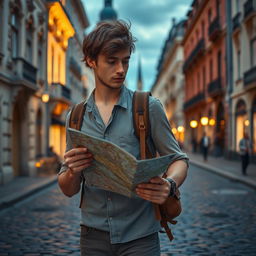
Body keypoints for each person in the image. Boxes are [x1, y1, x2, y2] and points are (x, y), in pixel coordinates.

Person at [58, 20, 188, 256]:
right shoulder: (76, 116)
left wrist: (170, 185)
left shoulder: (148, 107)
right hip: (92, 236)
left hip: (140, 236)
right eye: (112, 61)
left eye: (125, 61)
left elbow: (179, 159)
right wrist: (72, 171)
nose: (121, 69)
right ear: (91, 61)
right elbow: (68, 189)